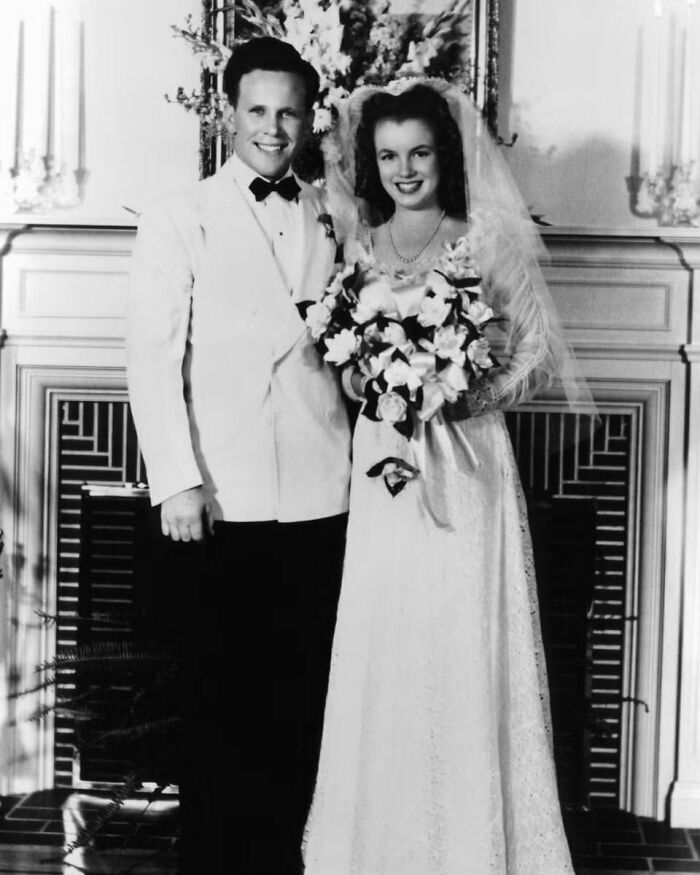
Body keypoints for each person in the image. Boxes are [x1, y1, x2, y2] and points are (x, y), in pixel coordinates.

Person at [303, 80, 591, 873]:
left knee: (459, 632)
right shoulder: (360, 243)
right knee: (387, 631)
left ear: (446, 157)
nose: (404, 171)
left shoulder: (483, 239)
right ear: (371, 162)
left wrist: (464, 394)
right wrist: (364, 379)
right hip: (384, 465)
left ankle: (469, 846)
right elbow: (344, 352)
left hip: (463, 461)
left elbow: (533, 353)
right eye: (389, 156)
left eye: (419, 154)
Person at [127, 37, 352, 875]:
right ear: (227, 113)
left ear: (310, 118)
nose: (273, 128)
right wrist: (177, 483)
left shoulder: (337, 215)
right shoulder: (178, 216)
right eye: (257, 110)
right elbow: (152, 359)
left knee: (299, 709)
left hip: (322, 494)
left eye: (289, 112)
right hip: (220, 501)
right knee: (217, 713)